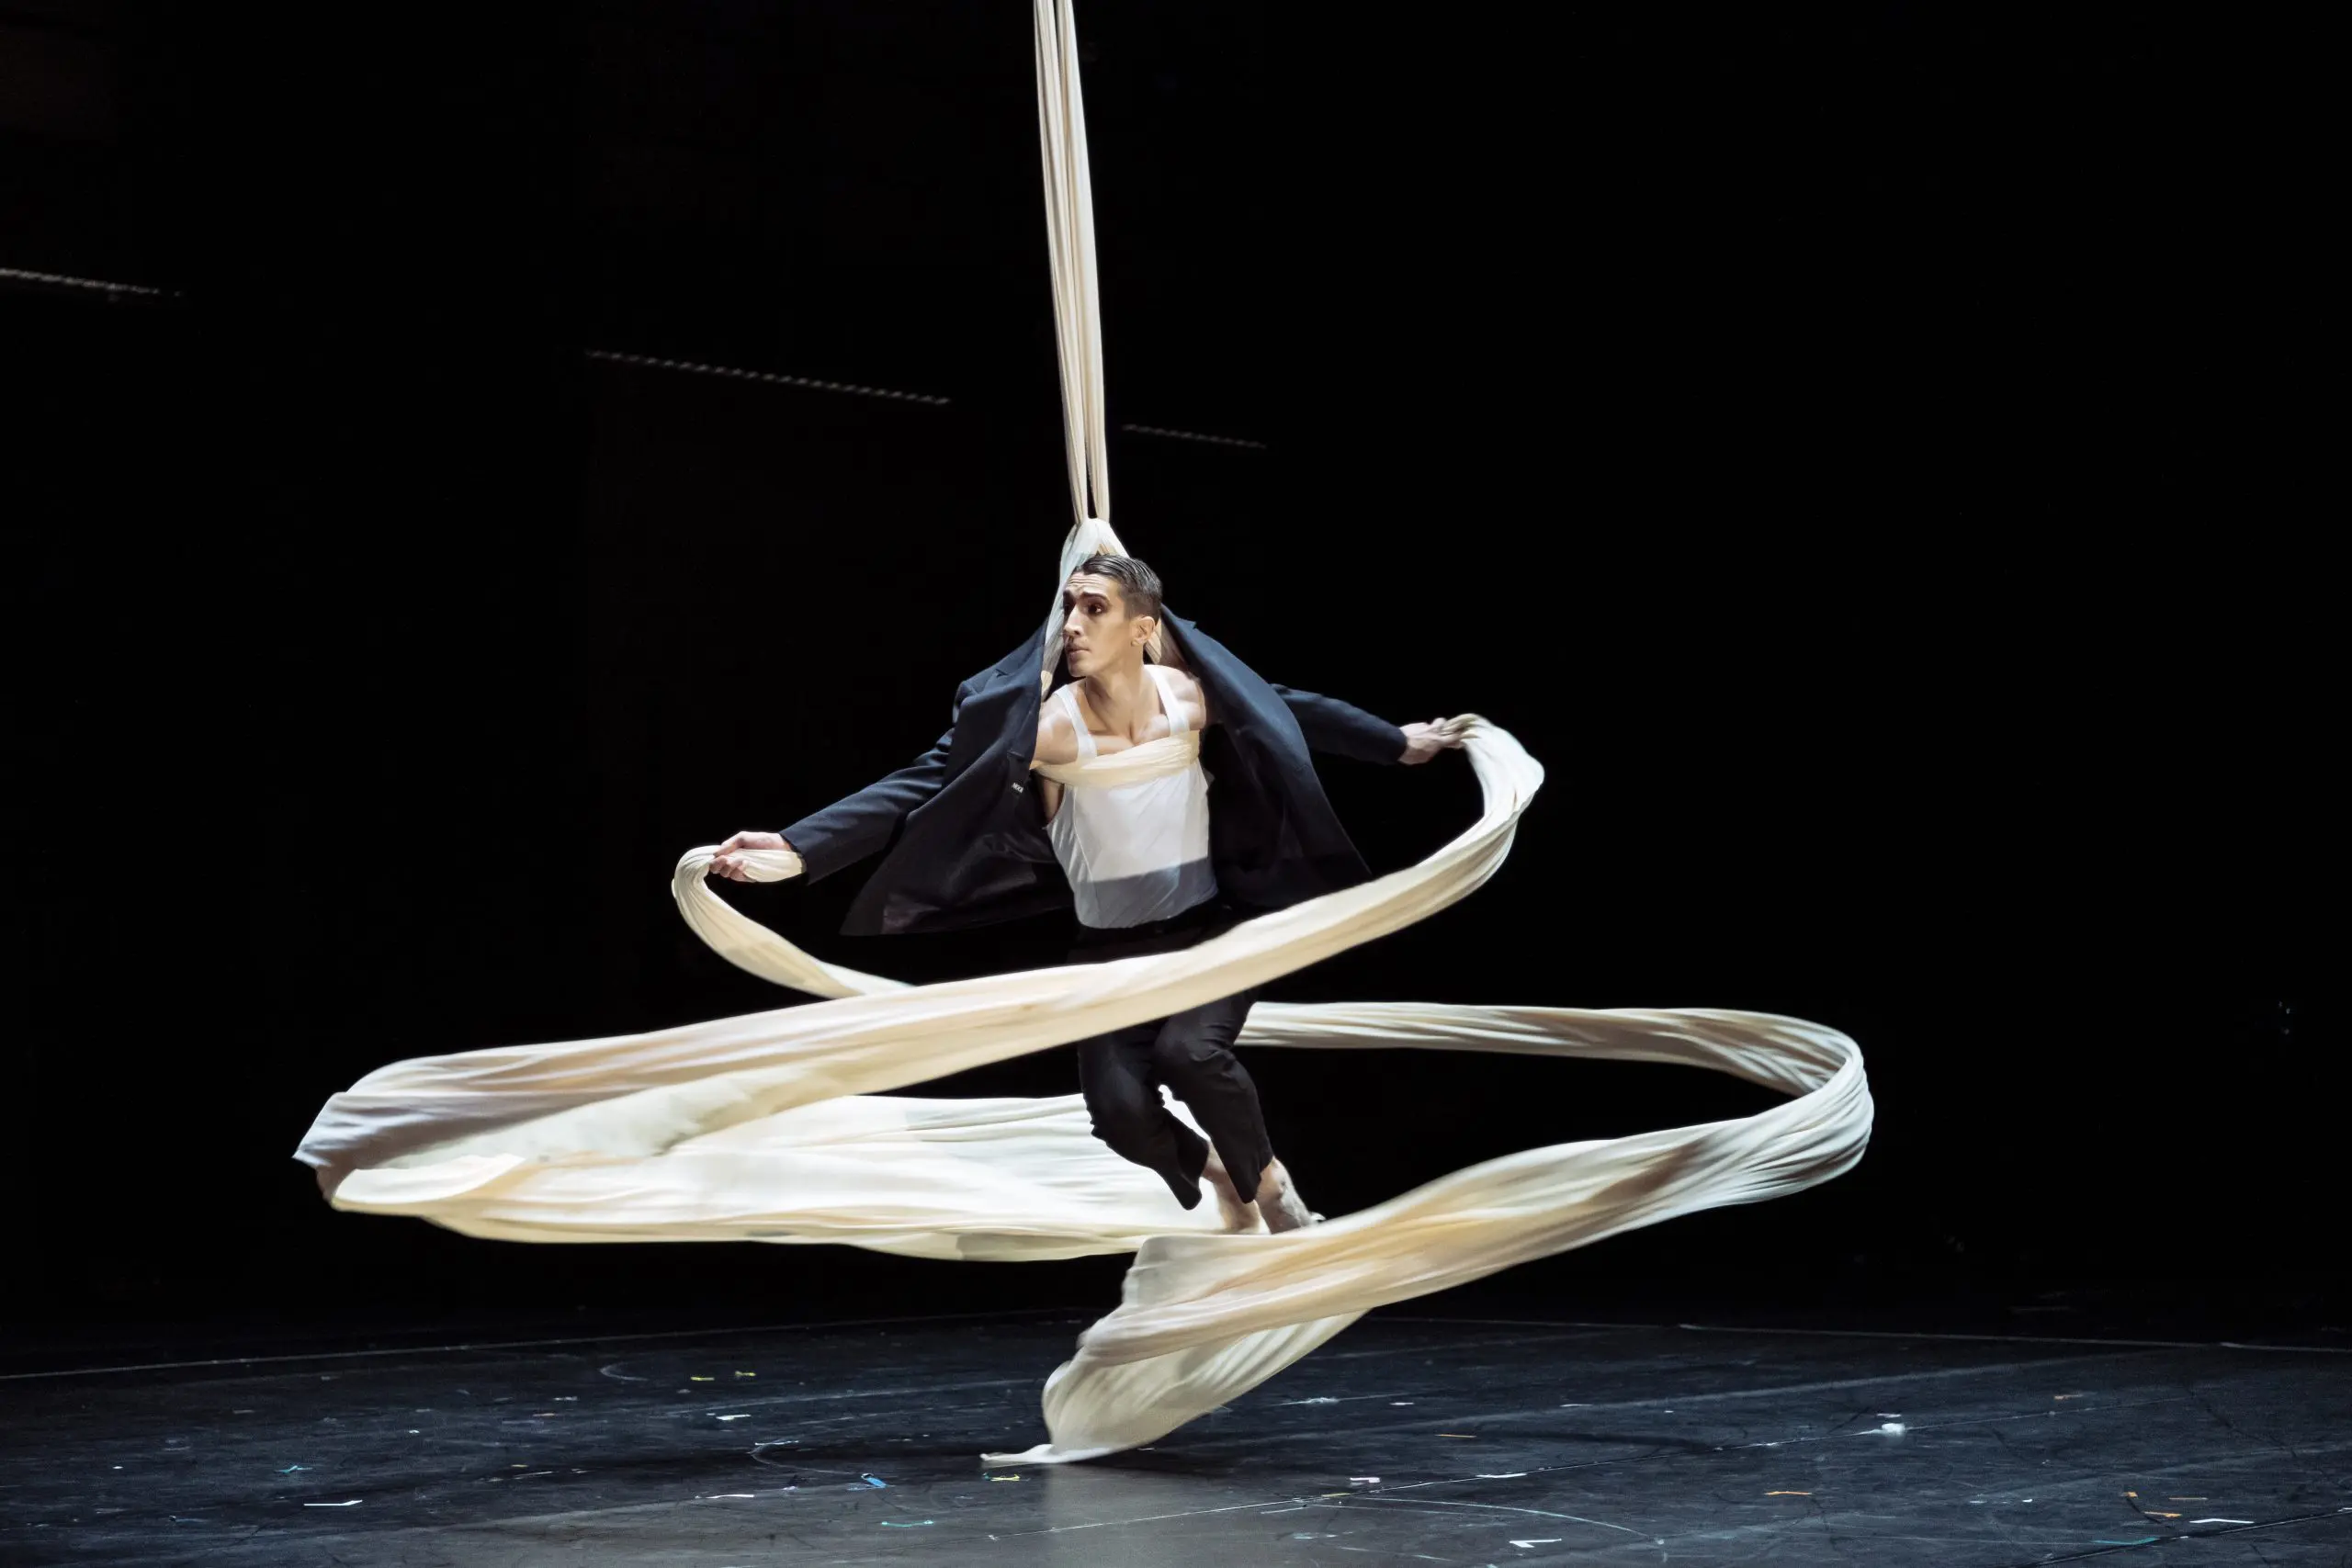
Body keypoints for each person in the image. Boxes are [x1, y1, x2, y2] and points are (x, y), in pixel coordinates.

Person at [711, 552, 1461, 1232]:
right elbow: (926, 778)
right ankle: (1221, 1170)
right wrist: (798, 845)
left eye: (1093, 608)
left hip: (1210, 935)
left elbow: (1288, 707)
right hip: (1108, 955)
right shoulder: (1051, 731)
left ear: (1144, 628)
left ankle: (1270, 1188)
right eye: (1068, 606)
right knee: (1120, 1115)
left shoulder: (1189, 700)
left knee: (1191, 1053)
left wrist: (1397, 742)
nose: (1071, 624)